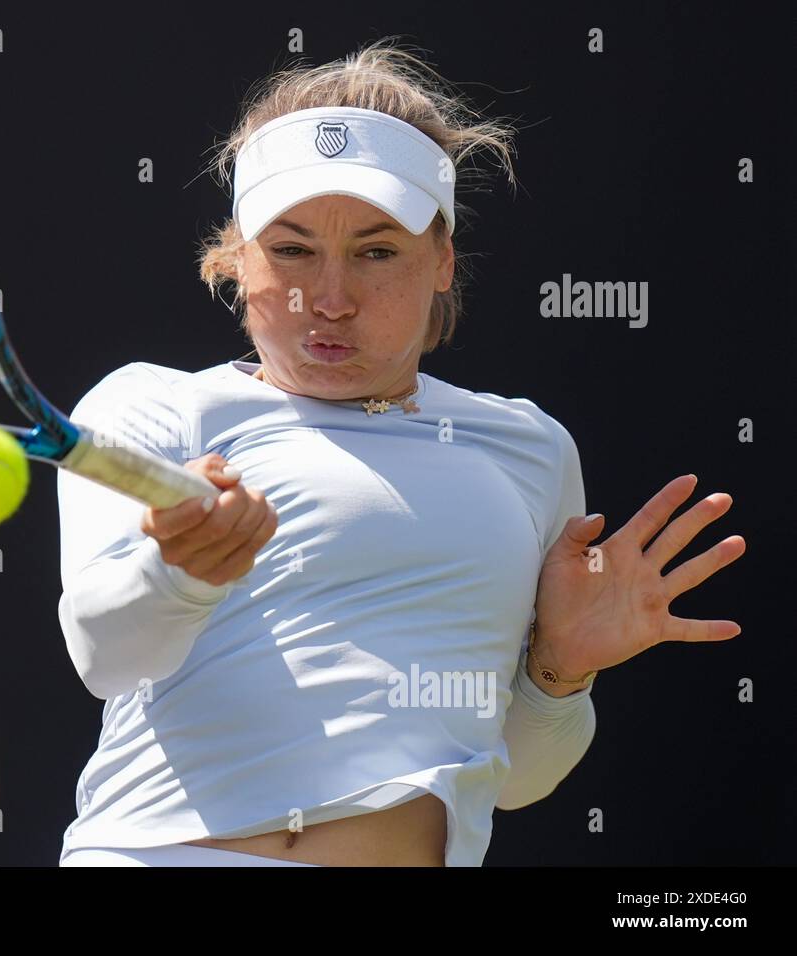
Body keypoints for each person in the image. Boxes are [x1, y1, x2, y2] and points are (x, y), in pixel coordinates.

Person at [55, 42, 745, 867]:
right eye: (291, 249)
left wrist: (558, 676)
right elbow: (105, 658)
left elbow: (518, 779)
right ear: (237, 258)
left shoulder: (530, 450)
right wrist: (179, 572)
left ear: (442, 260)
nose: (331, 298)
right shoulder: (153, 406)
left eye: (377, 251)